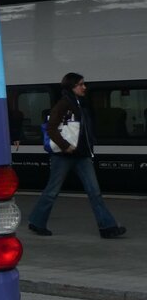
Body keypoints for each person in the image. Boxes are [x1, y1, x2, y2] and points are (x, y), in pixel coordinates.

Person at [27, 72, 127, 238]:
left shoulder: (81, 104)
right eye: (80, 84)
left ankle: (107, 227)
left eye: (83, 84)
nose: (84, 87)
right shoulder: (63, 104)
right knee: (52, 191)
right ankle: (37, 222)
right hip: (63, 156)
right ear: (71, 87)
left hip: (82, 155)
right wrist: (65, 146)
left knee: (94, 192)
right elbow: (50, 128)